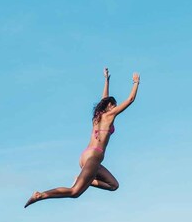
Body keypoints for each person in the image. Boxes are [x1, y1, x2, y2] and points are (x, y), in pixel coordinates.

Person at [25, 68, 140, 207]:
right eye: (113, 105)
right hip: (94, 156)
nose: (115, 107)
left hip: (88, 156)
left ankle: (86, 180)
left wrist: (106, 80)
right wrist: (136, 83)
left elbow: (104, 99)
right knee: (74, 192)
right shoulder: (109, 116)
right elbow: (130, 99)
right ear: (109, 107)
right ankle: (41, 195)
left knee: (114, 185)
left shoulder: (97, 118)